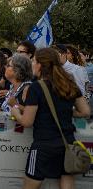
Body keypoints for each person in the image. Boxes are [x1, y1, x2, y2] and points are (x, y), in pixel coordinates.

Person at [11, 48, 90, 189]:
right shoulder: (69, 83)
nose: (32, 64)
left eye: (34, 61)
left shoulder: (36, 87)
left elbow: (27, 122)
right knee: (66, 180)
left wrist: (15, 110)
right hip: (67, 143)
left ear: (40, 65)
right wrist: (66, 112)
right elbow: (85, 112)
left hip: (43, 146)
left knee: (31, 184)